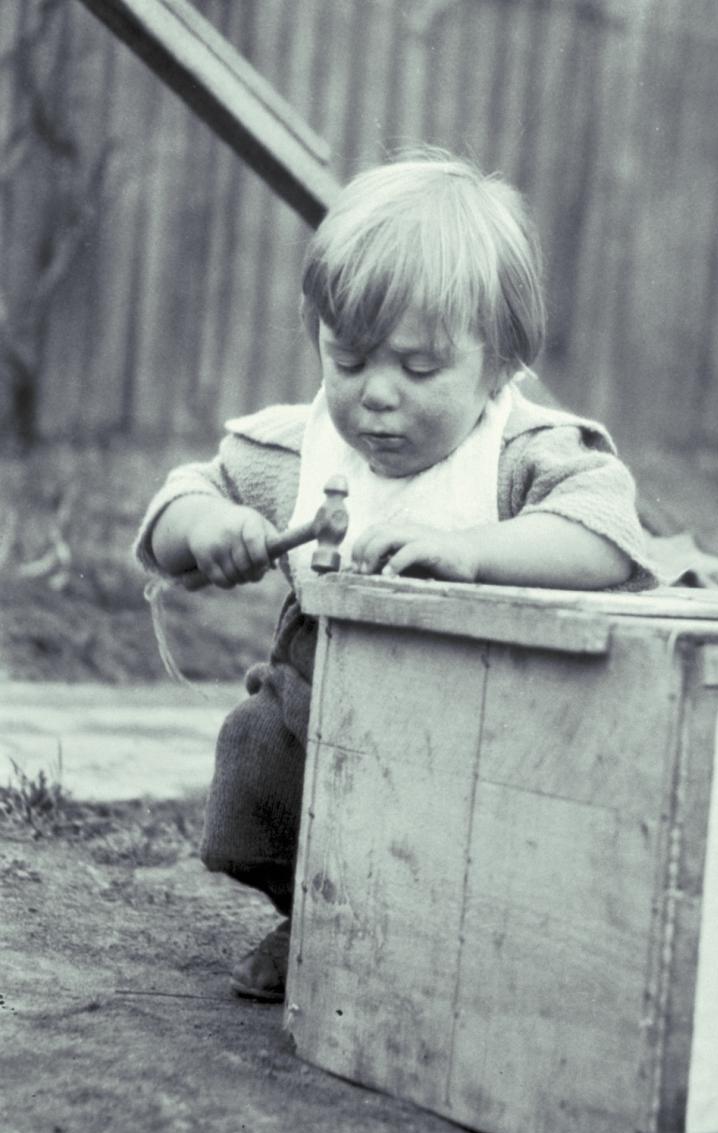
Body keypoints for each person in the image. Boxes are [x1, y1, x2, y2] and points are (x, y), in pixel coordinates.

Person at [134, 148, 656, 1002]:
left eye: (419, 369)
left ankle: (464, 944)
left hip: (478, 723)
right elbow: (176, 506)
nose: (377, 395)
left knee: (483, 843)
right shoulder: (297, 450)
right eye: (347, 361)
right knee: (256, 754)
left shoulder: (521, 454)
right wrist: (211, 528)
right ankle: (311, 917)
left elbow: (607, 533)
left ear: (499, 364)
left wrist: (479, 552)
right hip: (319, 705)